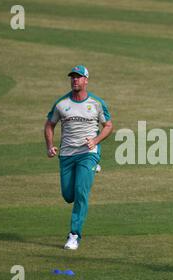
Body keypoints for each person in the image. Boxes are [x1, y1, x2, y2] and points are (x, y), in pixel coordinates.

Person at [44, 65, 113, 250]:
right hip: (67, 154)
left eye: (79, 77)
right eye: (73, 77)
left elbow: (108, 125)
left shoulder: (96, 103)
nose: (75, 80)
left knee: (81, 192)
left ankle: (74, 235)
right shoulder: (61, 104)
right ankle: (91, 172)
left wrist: (96, 140)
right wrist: (50, 146)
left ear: (86, 80)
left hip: (87, 153)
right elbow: (49, 125)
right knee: (69, 195)